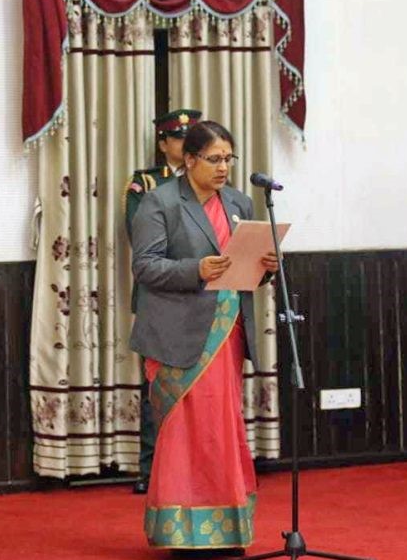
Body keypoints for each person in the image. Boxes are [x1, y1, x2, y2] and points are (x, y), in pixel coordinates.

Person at [130, 120, 279, 552]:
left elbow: (246, 271)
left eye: (228, 159)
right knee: (185, 431)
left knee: (222, 428)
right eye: (214, 159)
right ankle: (181, 534)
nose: (223, 168)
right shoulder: (158, 202)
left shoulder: (239, 202)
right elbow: (145, 266)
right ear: (189, 159)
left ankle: (226, 530)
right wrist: (194, 269)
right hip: (179, 333)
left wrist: (266, 266)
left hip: (227, 332)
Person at [124, 108, 202, 495]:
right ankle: (150, 468)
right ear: (163, 144)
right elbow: (141, 239)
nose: (185, 145)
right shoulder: (147, 185)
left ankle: (197, 467)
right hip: (160, 291)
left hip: (205, 295)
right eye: (177, 139)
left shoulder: (212, 188)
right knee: (157, 384)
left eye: (191, 139)